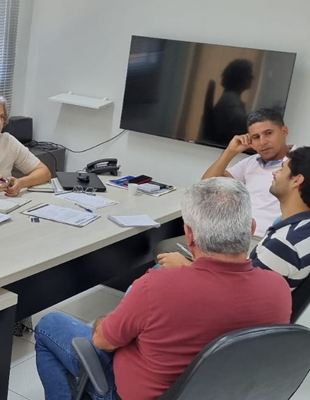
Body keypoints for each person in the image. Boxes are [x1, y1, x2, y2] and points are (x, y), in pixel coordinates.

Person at [35, 178, 291, 400]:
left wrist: (104, 321)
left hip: (138, 392)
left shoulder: (157, 286)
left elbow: (103, 341)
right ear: (251, 228)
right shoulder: (278, 288)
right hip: (226, 391)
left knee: (49, 325)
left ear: (189, 235)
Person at [156, 107, 294, 258]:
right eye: (256, 137)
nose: (263, 142)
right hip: (229, 235)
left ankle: (198, 268)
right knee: (165, 248)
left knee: (199, 260)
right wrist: (230, 152)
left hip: (262, 240)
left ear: (284, 131)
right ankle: (199, 268)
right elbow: (206, 185)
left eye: (268, 133)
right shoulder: (251, 162)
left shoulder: (299, 162)